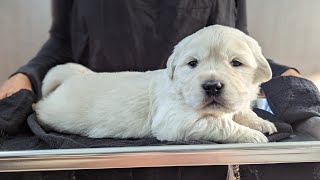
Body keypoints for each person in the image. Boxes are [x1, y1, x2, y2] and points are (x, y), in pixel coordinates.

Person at [0, 0, 301, 101]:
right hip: (101, 127)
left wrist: (280, 74)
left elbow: (237, 42)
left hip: (196, 138)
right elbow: (62, 43)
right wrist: (27, 76)